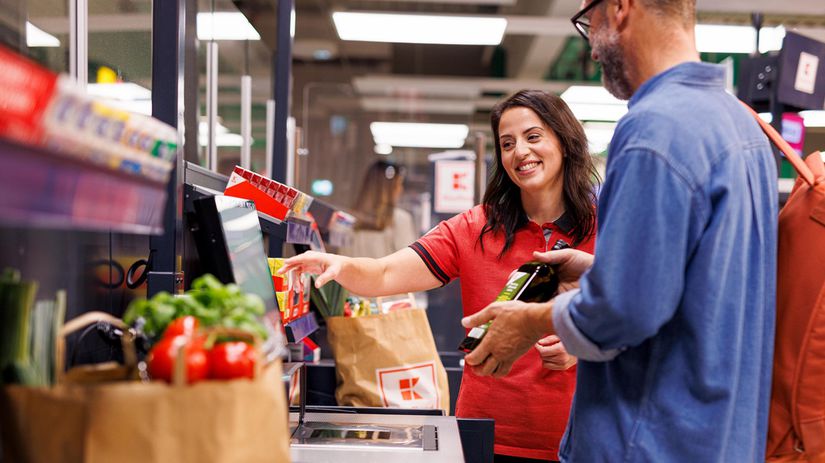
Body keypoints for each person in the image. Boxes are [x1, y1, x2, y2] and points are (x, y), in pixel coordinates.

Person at [462, 0, 778, 462]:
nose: (591, 48)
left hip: (648, 441)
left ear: (620, 9)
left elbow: (623, 314)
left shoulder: (655, 128)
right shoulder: (742, 126)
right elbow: (707, 286)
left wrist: (528, 321)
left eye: (590, 23)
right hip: (719, 439)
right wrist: (598, 271)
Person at [281, 90, 600, 462]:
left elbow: (643, 321)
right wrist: (341, 265)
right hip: (485, 435)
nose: (520, 152)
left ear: (564, 141)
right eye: (507, 143)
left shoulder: (609, 226)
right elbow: (386, 273)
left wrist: (585, 347)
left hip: (581, 438)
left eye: (533, 137)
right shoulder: (477, 227)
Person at [341, 160, 417, 258]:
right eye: (399, 184)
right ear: (389, 188)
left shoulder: (350, 220)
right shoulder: (400, 219)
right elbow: (408, 262)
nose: (401, 189)